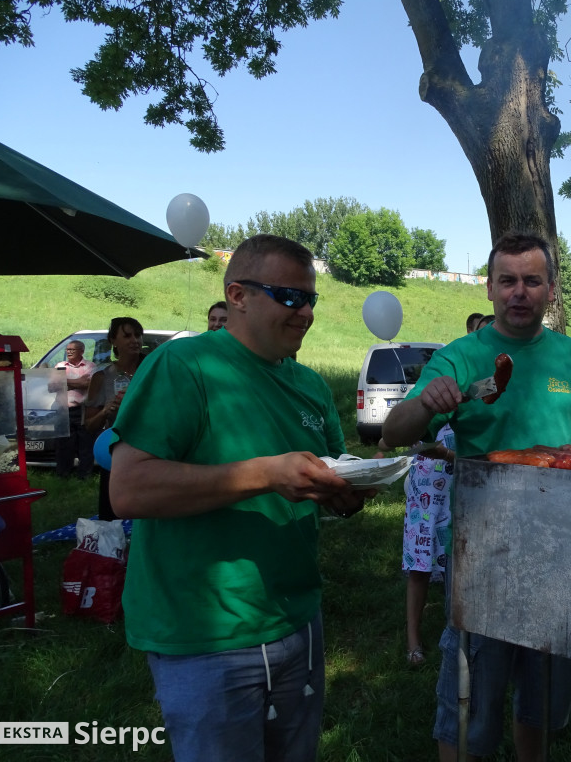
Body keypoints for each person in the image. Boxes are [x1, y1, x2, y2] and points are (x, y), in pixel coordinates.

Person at [107, 235, 374, 762]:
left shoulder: (312, 387)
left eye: (312, 299)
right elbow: (128, 488)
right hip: (204, 634)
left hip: (297, 618)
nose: (307, 315)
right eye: (291, 298)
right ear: (238, 295)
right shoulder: (184, 366)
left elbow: (332, 475)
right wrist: (264, 475)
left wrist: (342, 494)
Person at [382, 231, 571, 762]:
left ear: (552, 289)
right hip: (483, 556)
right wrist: (426, 405)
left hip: (558, 553)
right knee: (469, 704)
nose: (519, 291)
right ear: (488, 288)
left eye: (532, 280)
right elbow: (393, 433)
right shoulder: (461, 358)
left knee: (540, 697)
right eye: (507, 280)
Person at [399, 423, 455, 666]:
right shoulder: (424, 405)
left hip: (457, 497)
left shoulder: (470, 403)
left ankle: (456, 638)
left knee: (456, 572)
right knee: (418, 570)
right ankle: (413, 642)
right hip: (422, 506)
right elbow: (386, 439)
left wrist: (445, 453)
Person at [85, 317, 145, 520]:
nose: (135, 340)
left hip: (150, 449)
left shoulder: (152, 370)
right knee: (113, 514)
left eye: (138, 335)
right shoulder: (102, 376)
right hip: (115, 453)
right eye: (127, 335)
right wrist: (106, 411)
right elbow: (89, 425)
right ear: (113, 341)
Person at [52, 340, 96, 479]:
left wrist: (63, 381)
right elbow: (52, 386)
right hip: (63, 410)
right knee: (63, 444)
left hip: (82, 409)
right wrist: (77, 382)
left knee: (85, 444)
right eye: (68, 349)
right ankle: (63, 474)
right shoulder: (60, 366)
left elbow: (88, 384)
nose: (69, 352)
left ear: (82, 351)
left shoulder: (90, 366)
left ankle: (84, 475)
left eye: (73, 349)